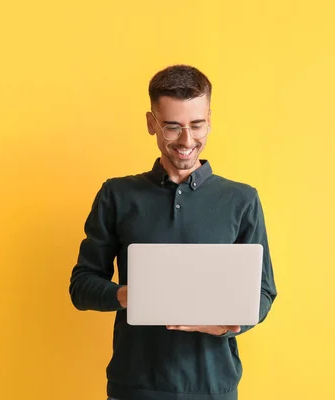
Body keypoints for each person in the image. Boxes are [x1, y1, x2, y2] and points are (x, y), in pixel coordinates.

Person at [69, 64, 277, 400]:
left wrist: (225, 325)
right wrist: (127, 296)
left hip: (214, 387)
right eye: (172, 127)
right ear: (151, 123)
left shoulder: (242, 199)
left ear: (209, 119)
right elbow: (81, 285)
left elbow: (264, 292)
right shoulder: (117, 194)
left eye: (197, 126)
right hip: (133, 386)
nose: (187, 141)